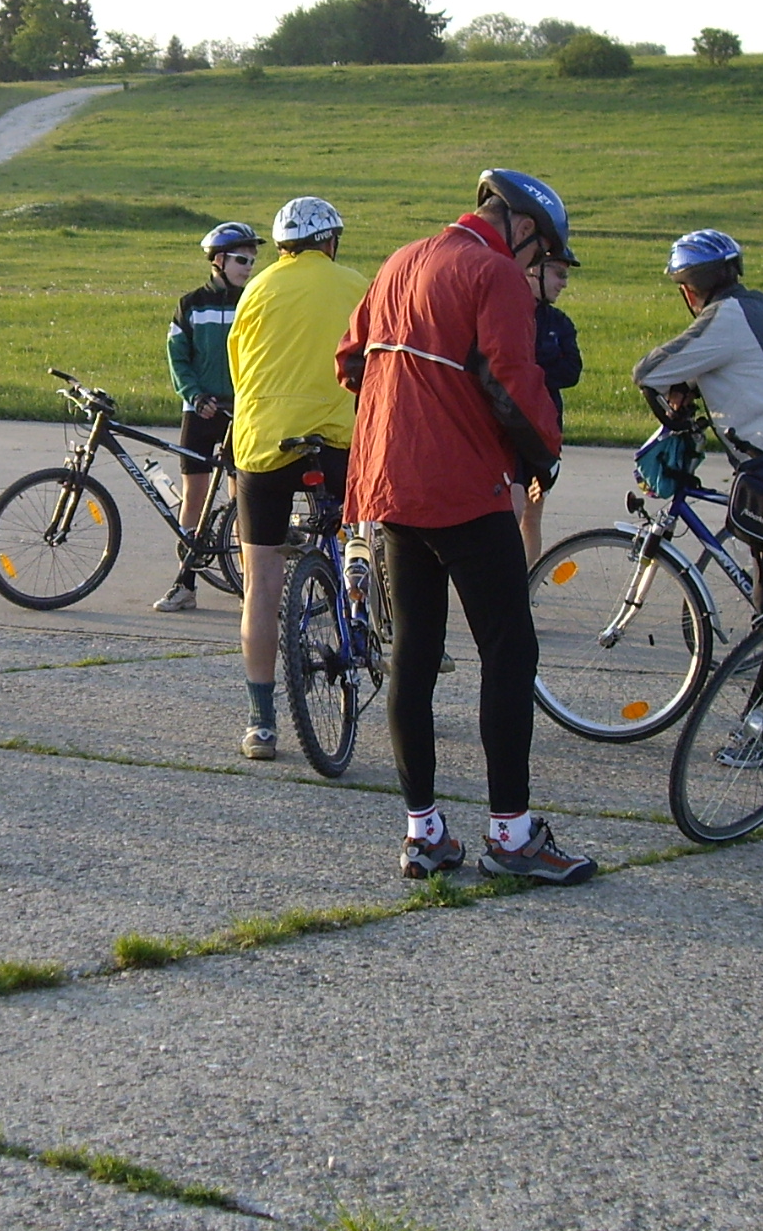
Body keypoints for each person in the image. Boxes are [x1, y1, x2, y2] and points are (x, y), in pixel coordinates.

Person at [337, 169, 594, 884]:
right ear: (521, 227)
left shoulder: (401, 260)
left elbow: (350, 361)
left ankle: (423, 833)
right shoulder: (494, 272)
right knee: (510, 652)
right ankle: (512, 835)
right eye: (541, 251)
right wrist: (543, 455)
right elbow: (511, 379)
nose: (536, 264)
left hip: (390, 482)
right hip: (462, 488)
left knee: (414, 655)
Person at [632, 230, 763, 615]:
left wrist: (679, 392)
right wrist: (691, 383)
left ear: (688, 290)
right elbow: (750, 363)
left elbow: (649, 371)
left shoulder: (726, 317)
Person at [226, 197, 368, 761]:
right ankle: (368, 608)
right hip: (338, 438)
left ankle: (261, 723)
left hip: (264, 442)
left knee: (261, 582)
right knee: (368, 531)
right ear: (330, 242)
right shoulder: (356, 284)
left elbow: (240, 369)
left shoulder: (256, 289)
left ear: (282, 247)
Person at [155, 221, 260, 613]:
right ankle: (185, 584)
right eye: (240, 260)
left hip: (240, 411)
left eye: (252, 260)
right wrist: (195, 395)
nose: (248, 267)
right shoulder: (192, 304)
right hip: (200, 410)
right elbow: (178, 358)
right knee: (194, 497)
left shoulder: (254, 301)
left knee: (241, 500)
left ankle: (249, 586)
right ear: (218, 261)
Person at [515, 237, 581, 565]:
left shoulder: (559, 323)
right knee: (510, 510)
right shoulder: (508, 314)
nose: (564, 283)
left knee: (532, 512)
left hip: (544, 430)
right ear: (533, 271)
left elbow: (571, 371)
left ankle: (525, 581)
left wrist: (532, 371)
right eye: (558, 274)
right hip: (510, 429)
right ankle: (503, 580)